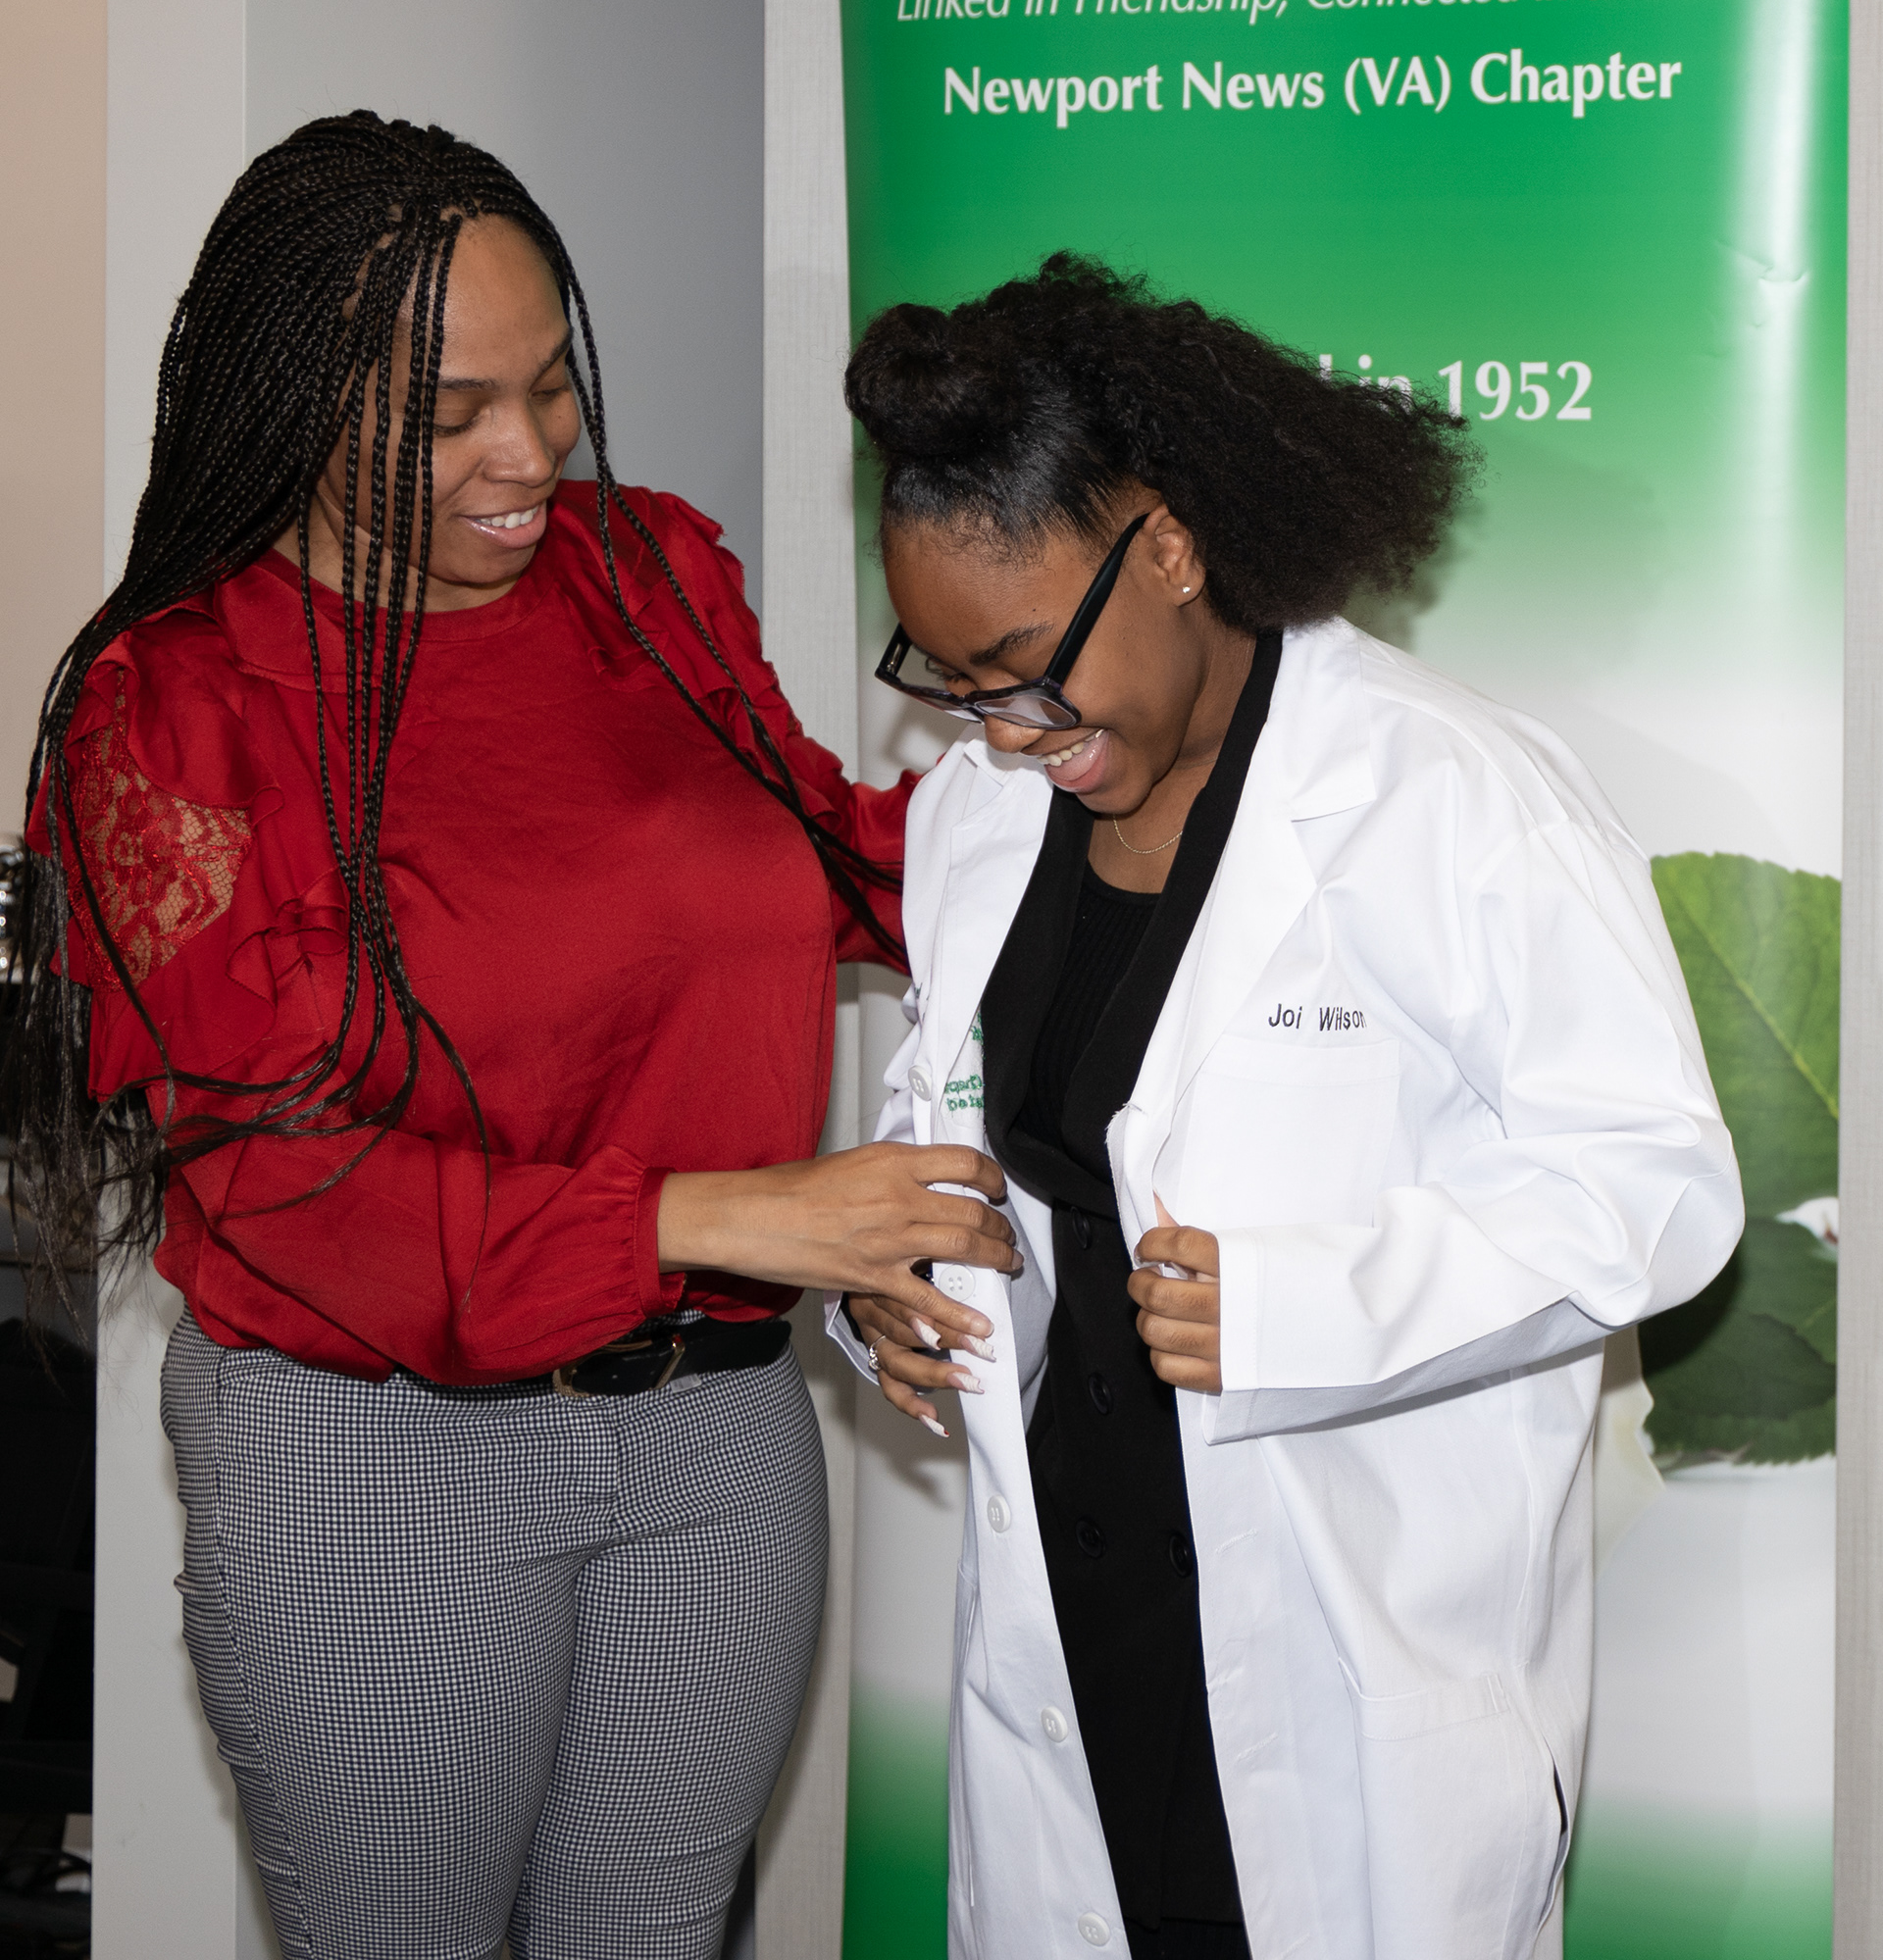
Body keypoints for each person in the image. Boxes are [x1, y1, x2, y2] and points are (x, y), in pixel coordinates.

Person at [4, 112, 1015, 1960]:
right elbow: (286, 1183)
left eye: (554, 385)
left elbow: (821, 852)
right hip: (367, 1459)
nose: (533, 451)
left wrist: (1120, 778)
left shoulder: (651, 573)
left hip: (713, 1435)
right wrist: (712, 1214)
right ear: (292, 400)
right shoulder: (174, 705)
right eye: (456, 409)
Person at [835, 255, 1742, 1960]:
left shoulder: (1446, 793)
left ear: (1168, 546)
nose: (1005, 731)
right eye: (955, 679)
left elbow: (1657, 1184)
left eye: (1029, 667)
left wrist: (1307, 1302)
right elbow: (951, 1120)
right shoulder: (976, 819)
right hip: (1074, 1631)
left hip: (1349, 1658)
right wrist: (897, 1284)